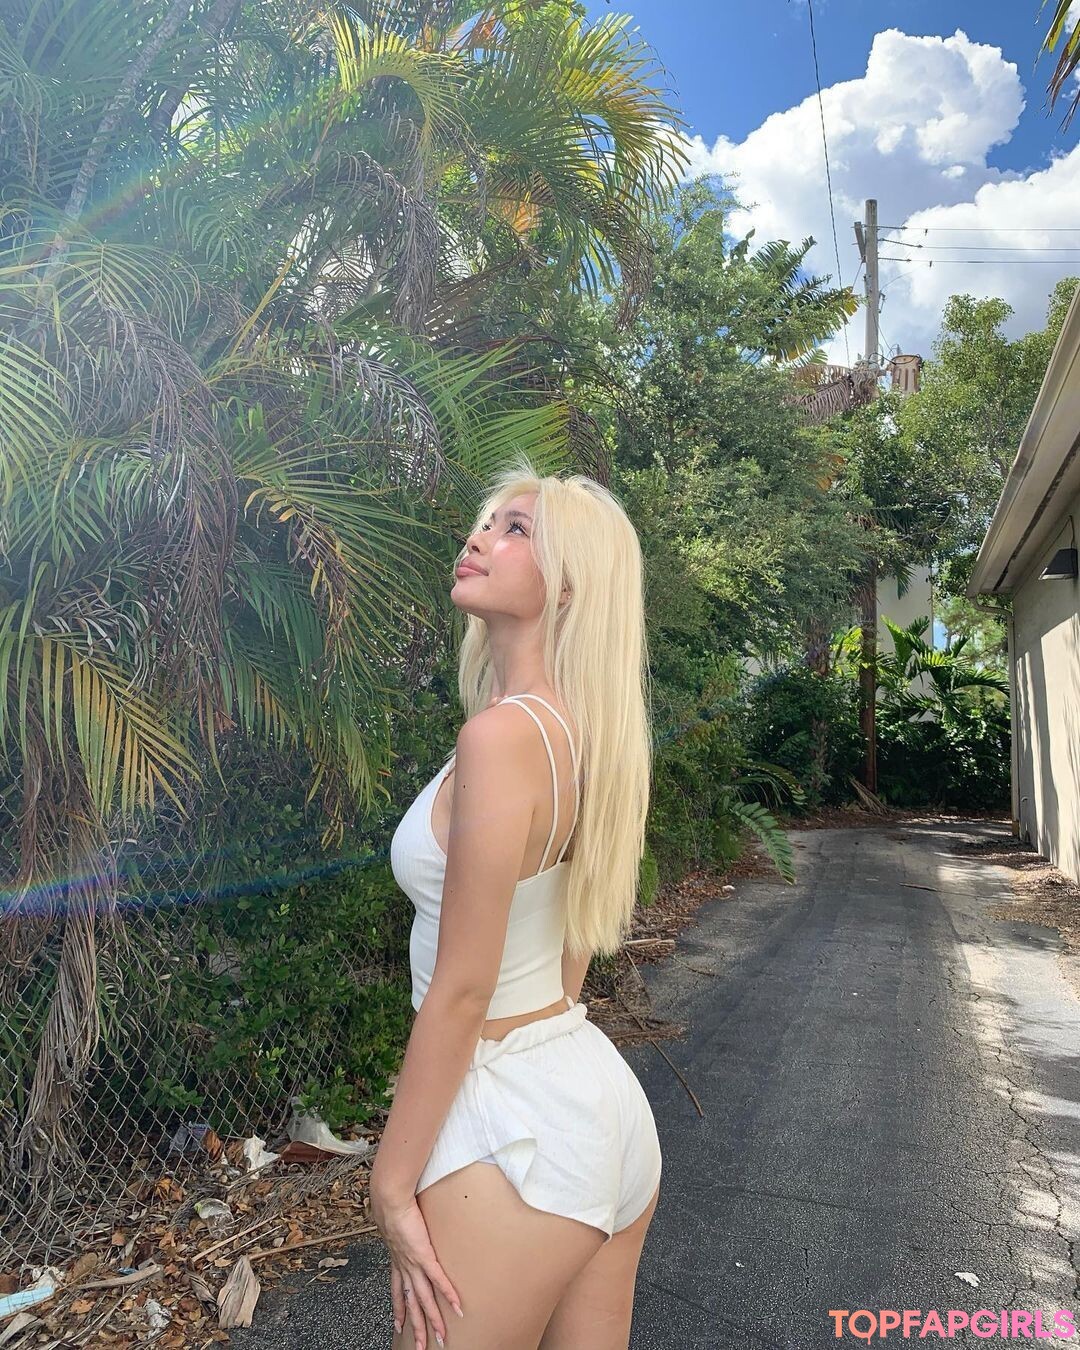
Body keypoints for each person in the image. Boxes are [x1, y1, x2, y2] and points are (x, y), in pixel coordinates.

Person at [370, 456, 662, 1350]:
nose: (480, 537)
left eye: (516, 529)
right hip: (594, 1102)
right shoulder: (587, 734)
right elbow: (569, 956)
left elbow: (464, 990)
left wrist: (390, 1185)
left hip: (514, 1134)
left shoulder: (500, 738)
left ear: (567, 585)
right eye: (487, 521)